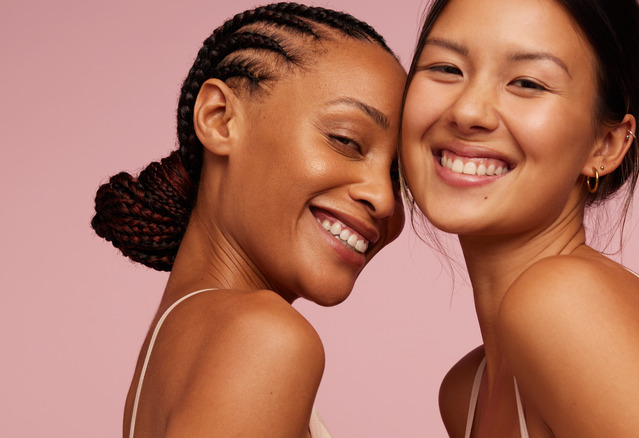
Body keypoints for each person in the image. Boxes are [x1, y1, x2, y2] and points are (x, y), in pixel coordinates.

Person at [400, 0, 639, 436]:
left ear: (606, 145)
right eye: (446, 68)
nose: (467, 111)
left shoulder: (565, 304)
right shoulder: (465, 392)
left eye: (527, 82)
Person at [91, 3, 405, 437]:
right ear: (219, 119)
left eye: (397, 174)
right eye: (346, 140)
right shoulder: (263, 339)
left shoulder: (181, 346)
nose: (385, 199)